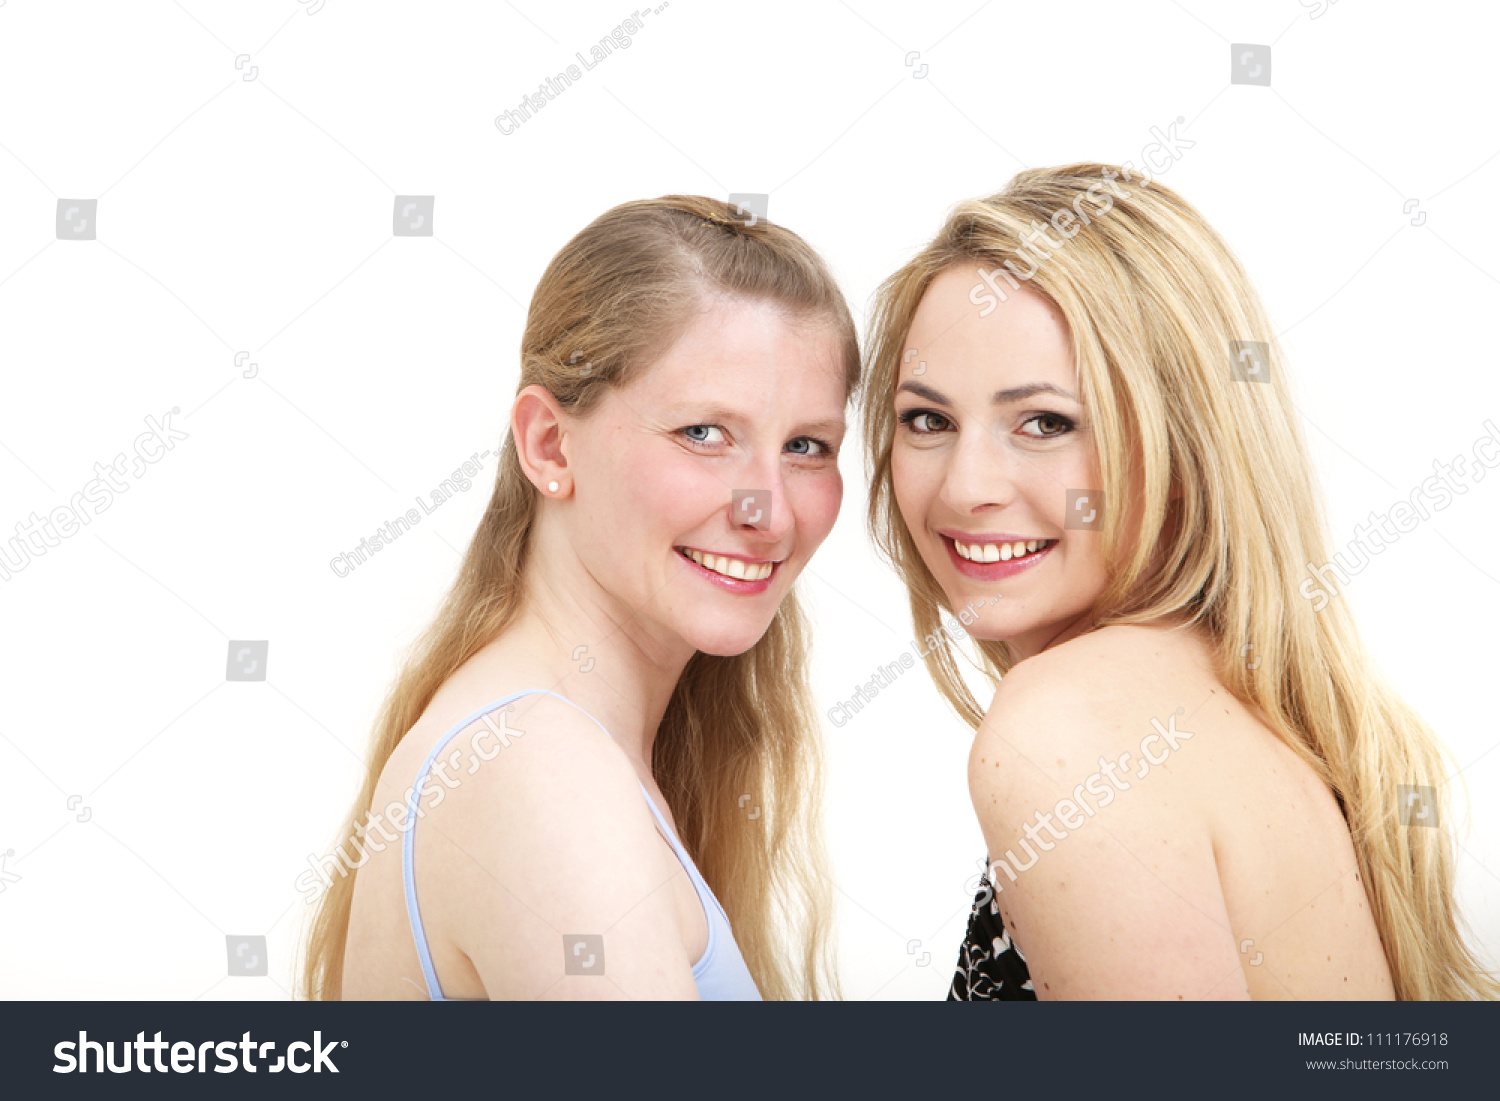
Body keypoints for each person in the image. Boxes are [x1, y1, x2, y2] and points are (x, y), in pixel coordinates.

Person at [861, 163, 1499, 1000]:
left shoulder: (1068, 723)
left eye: (1047, 422)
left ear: (1183, 453)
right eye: (928, 419)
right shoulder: (1240, 702)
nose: (964, 485)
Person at [302, 196, 857, 1000]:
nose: (767, 511)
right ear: (550, 444)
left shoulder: (569, 744)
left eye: (807, 446)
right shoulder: (538, 767)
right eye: (704, 432)